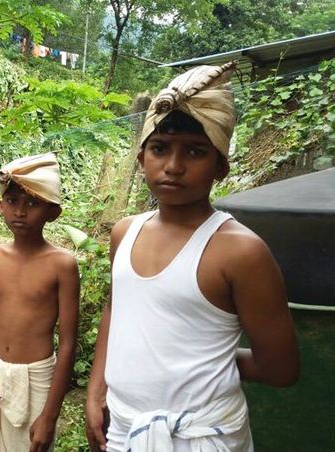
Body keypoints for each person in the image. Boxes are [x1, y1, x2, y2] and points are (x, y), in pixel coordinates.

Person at [84, 62, 300, 452]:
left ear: (221, 167)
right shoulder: (124, 232)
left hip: (202, 437)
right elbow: (116, 310)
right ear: (141, 157)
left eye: (196, 152)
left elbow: (281, 369)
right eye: (160, 148)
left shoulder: (240, 252)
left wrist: (207, 362)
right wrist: (97, 388)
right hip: (123, 429)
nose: (173, 166)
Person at [0, 152, 80, 452]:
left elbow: (68, 344)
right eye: (12, 201)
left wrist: (49, 415)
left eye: (33, 203)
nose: (20, 211)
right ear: (0, 206)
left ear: (52, 212)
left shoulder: (62, 265)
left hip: (35, 380)